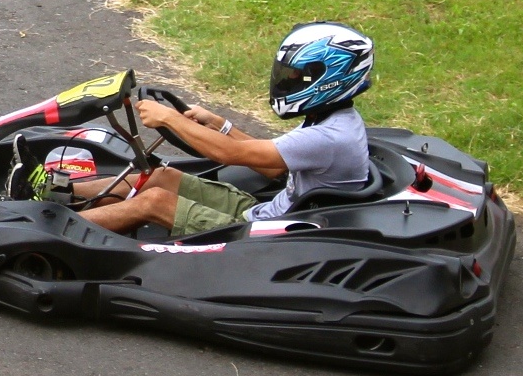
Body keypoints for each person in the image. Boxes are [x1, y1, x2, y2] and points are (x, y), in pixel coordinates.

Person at [72, 22, 375, 239]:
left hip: (267, 235)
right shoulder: (331, 120)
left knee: (155, 202)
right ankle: (58, 193)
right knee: (161, 177)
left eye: (298, 78)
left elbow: (232, 154)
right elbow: (270, 165)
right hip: (268, 211)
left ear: (331, 80)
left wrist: (169, 119)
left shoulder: (327, 137)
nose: (287, 83)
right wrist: (219, 123)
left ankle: (50, 230)